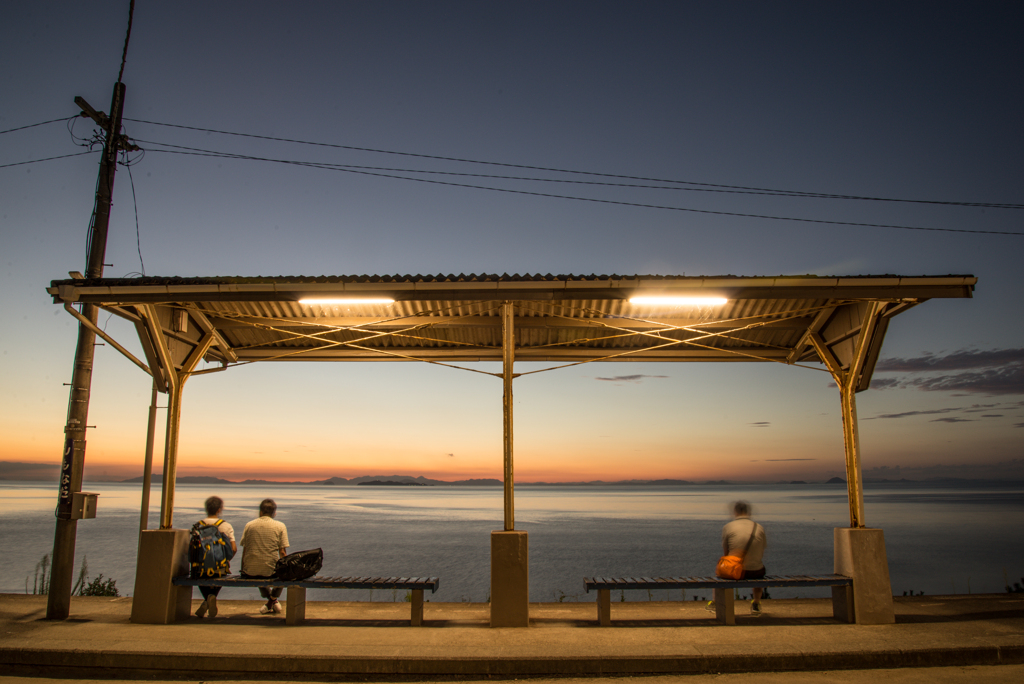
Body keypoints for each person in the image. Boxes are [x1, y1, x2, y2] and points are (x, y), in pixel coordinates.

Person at [240, 498, 290, 614]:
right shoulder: (280, 526)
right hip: (269, 571)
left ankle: (271, 602)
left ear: (260, 512)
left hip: (250, 571)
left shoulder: (249, 525)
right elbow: (282, 553)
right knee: (282, 573)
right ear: (274, 513)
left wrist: (244, 568)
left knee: (257, 566)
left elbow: (245, 550)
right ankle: (272, 601)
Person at [721, 500, 768, 614]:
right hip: (756, 571)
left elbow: (726, 553)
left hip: (735, 571)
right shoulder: (759, 527)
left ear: (735, 512)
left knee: (721, 571)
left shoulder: (728, 527)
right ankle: (756, 603)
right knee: (758, 570)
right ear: (748, 512)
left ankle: (716, 602)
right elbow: (763, 548)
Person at [194, 496, 236, 619]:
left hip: (200, 569)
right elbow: (233, 548)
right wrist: (226, 561)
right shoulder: (225, 526)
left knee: (199, 576)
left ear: (206, 509)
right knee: (222, 572)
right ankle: (211, 597)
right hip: (219, 568)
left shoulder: (198, 526)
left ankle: (207, 600)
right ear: (219, 509)